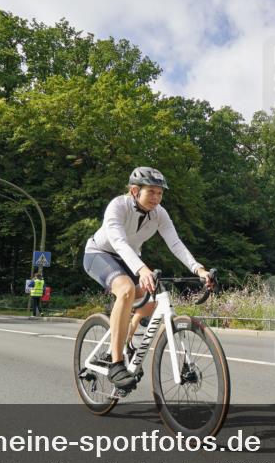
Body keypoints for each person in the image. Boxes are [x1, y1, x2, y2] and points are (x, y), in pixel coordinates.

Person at [83, 166, 214, 389]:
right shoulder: (118, 206)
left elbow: (175, 243)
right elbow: (119, 242)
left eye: (160, 193)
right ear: (135, 190)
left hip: (131, 258)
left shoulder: (160, 213)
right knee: (126, 290)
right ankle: (116, 363)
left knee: (152, 303)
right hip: (100, 253)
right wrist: (142, 270)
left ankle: (127, 340)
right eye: (151, 192)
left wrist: (198, 269)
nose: (156, 198)